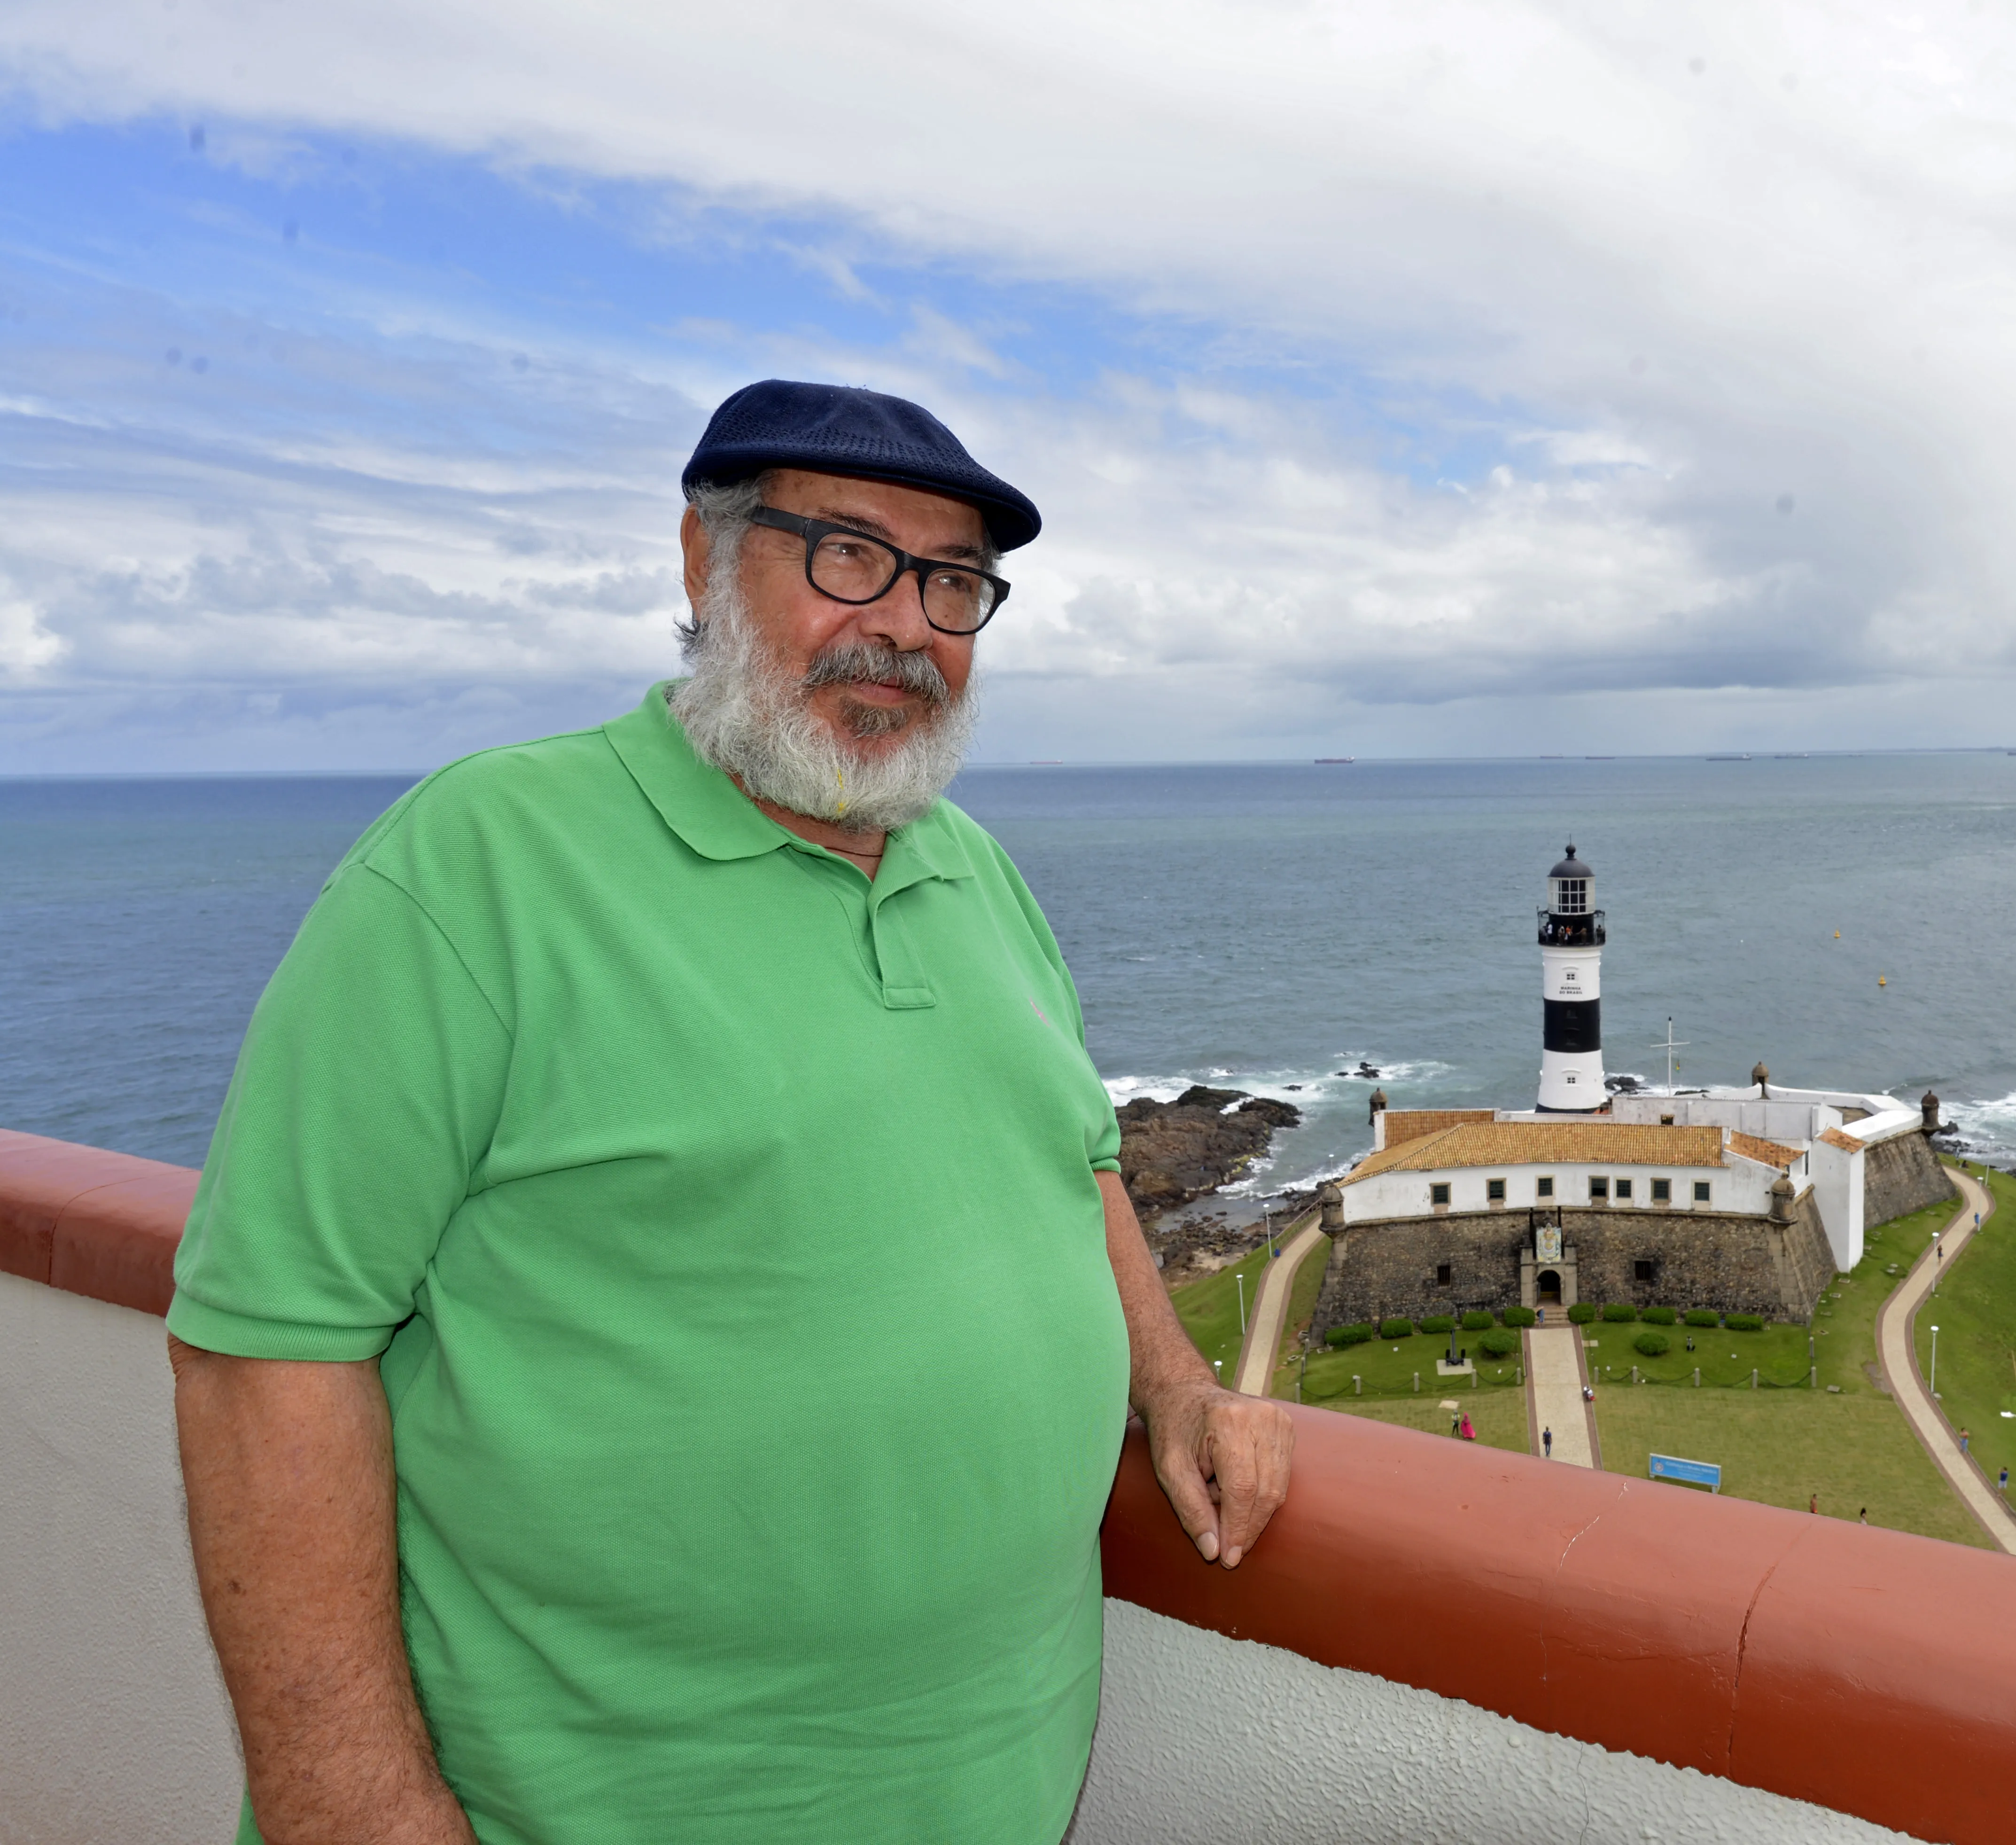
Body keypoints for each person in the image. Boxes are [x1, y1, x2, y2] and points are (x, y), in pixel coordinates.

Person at [164, 380, 1294, 1845]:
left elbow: (1073, 1168)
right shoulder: (479, 867)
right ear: (702, 563)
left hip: (995, 1794)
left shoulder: (978, 876)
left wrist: (1175, 1388)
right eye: (846, 554)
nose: (903, 622)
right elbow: (268, 1349)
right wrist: (359, 1814)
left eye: (953, 582)